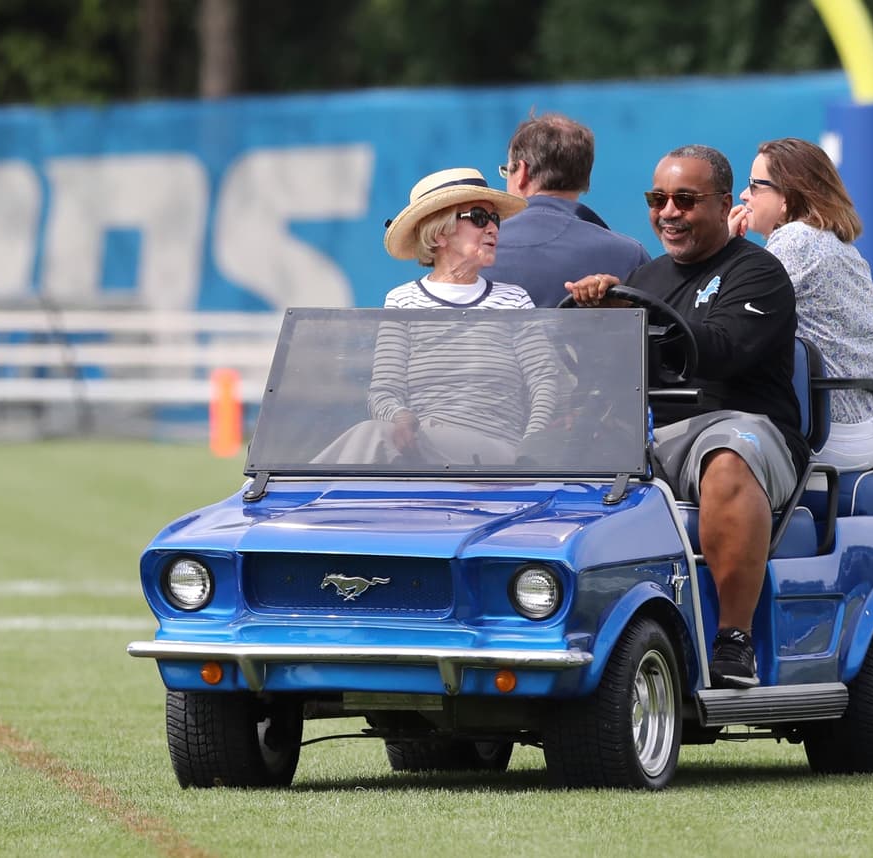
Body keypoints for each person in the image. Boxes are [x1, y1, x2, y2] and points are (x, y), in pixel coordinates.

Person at [566, 145, 809, 688]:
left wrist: (632, 311)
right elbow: (608, 379)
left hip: (745, 425)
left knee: (727, 456)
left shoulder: (759, 273)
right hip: (654, 433)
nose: (668, 212)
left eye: (685, 200)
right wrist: (596, 324)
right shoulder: (645, 278)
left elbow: (722, 350)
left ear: (724, 205)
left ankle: (734, 638)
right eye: (658, 199)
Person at [321, 167, 556, 465]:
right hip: (421, 451)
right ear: (440, 232)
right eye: (479, 218)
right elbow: (384, 391)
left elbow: (545, 381)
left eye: (494, 219)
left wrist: (531, 447)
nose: (493, 228)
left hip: (494, 454)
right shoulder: (402, 301)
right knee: (375, 438)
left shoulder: (514, 300)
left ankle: (286, 487)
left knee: (371, 436)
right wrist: (399, 417)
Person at [728, 137, 873, 472]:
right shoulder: (834, 242)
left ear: (786, 196)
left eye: (755, 186)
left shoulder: (795, 240)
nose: (744, 195)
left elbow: (726, 312)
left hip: (834, 430)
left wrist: (723, 249)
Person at [482, 112, 650, 307]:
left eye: (507, 171)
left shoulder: (472, 250)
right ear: (585, 178)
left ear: (522, 172)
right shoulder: (630, 255)